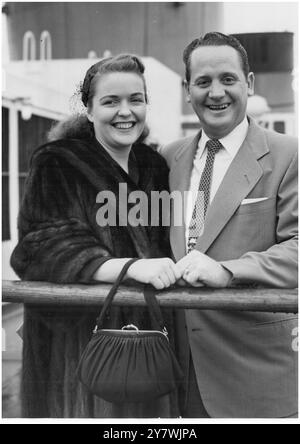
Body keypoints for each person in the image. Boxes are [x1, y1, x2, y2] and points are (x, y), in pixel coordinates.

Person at [10, 54, 182, 418]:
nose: (125, 111)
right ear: (88, 110)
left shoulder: (154, 167)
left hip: (145, 339)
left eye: (136, 99)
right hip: (74, 346)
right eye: (110, 101)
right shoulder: (57, 161)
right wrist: (128, 267)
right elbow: (38, 246)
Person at [160, 33, 298, 418]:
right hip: (180, 372)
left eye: (228, 79)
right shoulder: (169, 157)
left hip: (255, 373)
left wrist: (228, 271)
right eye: (203, 82)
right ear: (187, 90)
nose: (215, 92)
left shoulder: (289, 154)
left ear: (249, 84)